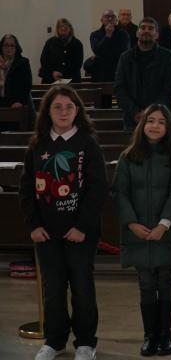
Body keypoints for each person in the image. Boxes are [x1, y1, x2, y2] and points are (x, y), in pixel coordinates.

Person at [19, 86, 108, 360]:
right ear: (47, 111)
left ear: (77, 110)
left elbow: (97, 189)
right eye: (57, 106)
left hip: (80, 233)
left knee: (82, 287)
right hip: (46, 233)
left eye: (69, 106)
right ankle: (55, 341)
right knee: (53, 289)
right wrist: (33, 225)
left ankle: (86, 342)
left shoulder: (87, 143)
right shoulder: (37, 145)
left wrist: (82, 226)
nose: (63, 112)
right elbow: (27, 189)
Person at [113, 104, 171, 356]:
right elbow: (120, 193)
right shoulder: (127, 157)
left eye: (161, 122)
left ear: (168, 127)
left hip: (166, 231)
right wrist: (132, 223)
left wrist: (164, 224)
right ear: (142, 125)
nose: (155, 126)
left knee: (165, 281)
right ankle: (149, 336)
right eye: (150, 120)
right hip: (138, 232)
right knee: (145, 284)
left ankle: (165, 335)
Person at [115, 18, 171, 129]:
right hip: (132, 117)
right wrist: (134, 111)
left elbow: (169, 88)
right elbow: (119, 87)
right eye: (143, 28)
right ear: (137, 33)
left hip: (160, 115)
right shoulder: (125, 57)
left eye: (150, 28)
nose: (146, 31)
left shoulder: (168, 57)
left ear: (157, 35)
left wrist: (151, 112)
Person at [86, 10, 129, 83]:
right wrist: (108, 35)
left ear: (116, 20)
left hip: (118, 71)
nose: (110, 19)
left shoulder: (123, 34)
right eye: (107, 16)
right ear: (101, 20)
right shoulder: (95, 34)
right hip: (100, 73)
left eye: (112, 16)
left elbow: (123, 52)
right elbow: (98, 51)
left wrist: (104, 53)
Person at [39, 18, 84, 83]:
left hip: (71, 79)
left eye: (65, 27)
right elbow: (43, 60)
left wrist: (63, 74)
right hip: (51, 79)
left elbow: (78, 63)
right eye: (60, 27)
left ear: (70, 29)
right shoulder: (50, 43)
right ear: (57, 29)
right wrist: (53, 73)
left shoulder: (77, 44)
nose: (63, 29)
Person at [0, 33, 33, 108]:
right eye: (6, 45)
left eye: (12, 45)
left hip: (16, 104)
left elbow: (27, 85)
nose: (9, 48)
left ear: (16, 48)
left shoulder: (23, 63)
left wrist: (20, 101)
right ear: (1, 47)